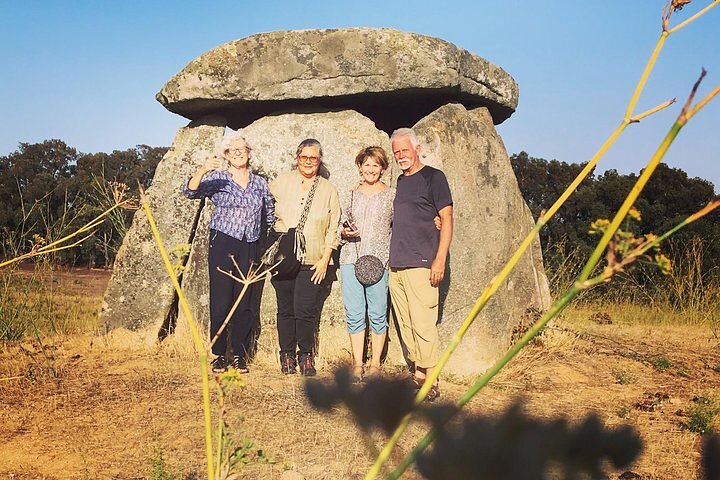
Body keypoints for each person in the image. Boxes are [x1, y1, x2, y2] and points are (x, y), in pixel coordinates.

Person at [183, 133, 275, 374]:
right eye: (232, 150)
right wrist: (202, 170)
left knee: (244, 301)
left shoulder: (259, 183)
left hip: (250, 243)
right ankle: (219, 354)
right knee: (221, 299)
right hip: (223, 241)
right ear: (226, 155)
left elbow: (270, 211)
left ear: (249, 152)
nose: (238, 153)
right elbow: (190, 192)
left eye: (242, 149)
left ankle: (239, 355)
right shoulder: (219, 178)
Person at [388, 127, 453, 401]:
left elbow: (447, 219)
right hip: (398, 263)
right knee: (406, 322)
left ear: (417, 148)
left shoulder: (434, 178)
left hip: (423, 262)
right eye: (396, 152)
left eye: (405, 150)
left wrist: (439, 259)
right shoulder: (401, 182)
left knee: (424, 321)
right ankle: (418, 374)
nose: (401, 156)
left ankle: (433, 379)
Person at [269, 138, 341, 376]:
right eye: (304, 157)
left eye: (314, 158)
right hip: (283, 258)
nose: (308, 162)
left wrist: (326, 258)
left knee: (306, 309)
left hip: (314, 258)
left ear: (320, 160)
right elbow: (265, 208)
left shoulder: (328, 189)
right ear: (297, 157)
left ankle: (306, 355)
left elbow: (334, 225)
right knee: (285, 308)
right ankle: (286, 354)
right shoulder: (280, 182)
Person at [339, 146, 395, 382]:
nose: (371, 169)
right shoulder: (350, 193)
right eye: (367, 165)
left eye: (376, 165)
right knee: (354, 313)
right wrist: (344, 232)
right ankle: (357, 363)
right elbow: (340, 224)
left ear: (382, 168)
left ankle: (375, 365)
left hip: (380, 260)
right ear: (360, 167)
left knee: (378, 313)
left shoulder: (393, 195)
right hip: (351, 258)